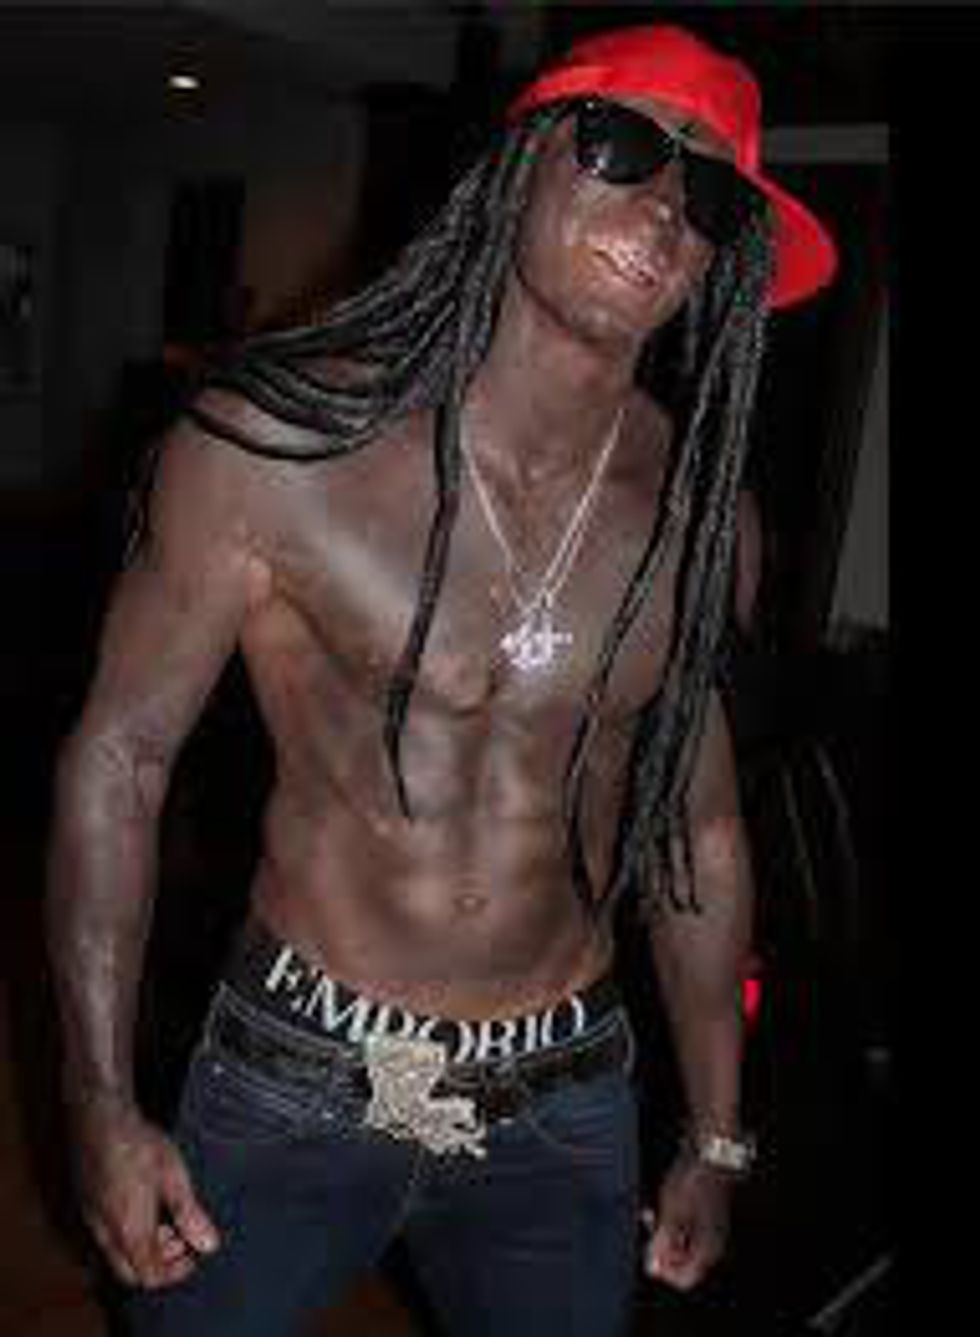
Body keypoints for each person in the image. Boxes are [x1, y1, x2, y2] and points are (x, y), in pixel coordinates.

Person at [46, 23, 836, 1336]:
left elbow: (696, 830)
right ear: (519, 165)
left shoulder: (704, 521)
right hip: (295, 1071)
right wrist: (97, 1100)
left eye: (709, 194)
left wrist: (716, 1129)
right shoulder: (277, 446)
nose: (664, 208)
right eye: (622, 145)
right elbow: (120, 760)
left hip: (563, 1098)